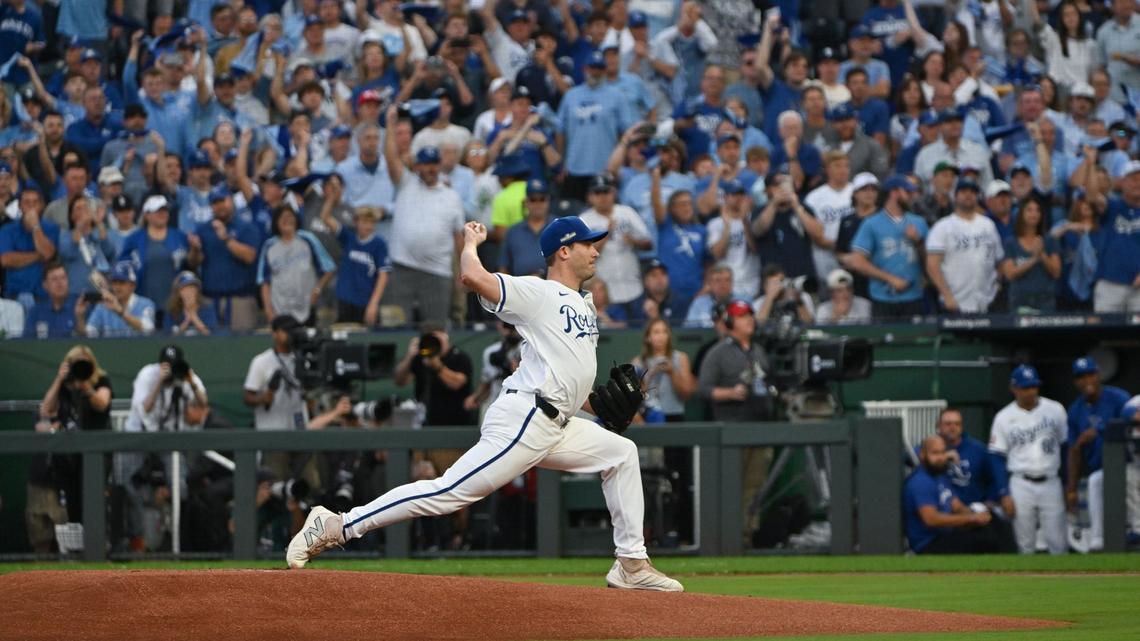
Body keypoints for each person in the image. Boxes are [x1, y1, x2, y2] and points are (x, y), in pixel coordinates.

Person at [288, 216, 684, 592]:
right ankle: (338, 525)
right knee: (448, 493)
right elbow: (473, 277)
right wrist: (471, 243)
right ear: (564, 251)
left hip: (558, 420)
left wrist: (604, 407)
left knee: (621, 454)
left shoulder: (584, 304)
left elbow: (571, 383)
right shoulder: (538, 292)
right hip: (526, 418)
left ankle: (631, 563)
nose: (596, 251)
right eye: (587, 244)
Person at [383, 105, 465, 325]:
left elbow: (459, 238)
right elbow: (391, 157)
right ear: (417, 166)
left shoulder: (451, 196)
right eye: (425, 164)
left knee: (435, 330)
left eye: (433, 164)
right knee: (397, 327)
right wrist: (390, 124)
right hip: (403, 269)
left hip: (437, 273)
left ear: (439, 166)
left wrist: (464, 271)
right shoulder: (405, 183)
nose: (429, 169)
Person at [26, 346, 112, 553]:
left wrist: (86, 386)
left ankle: (100, 549)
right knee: (71, 507)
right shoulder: (65, 385)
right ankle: (75, 554)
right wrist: (60, 379)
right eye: (76, 362)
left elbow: (101, 403)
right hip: (68, 460)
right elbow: (46, 410)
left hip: (95, 456)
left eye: (84, 362)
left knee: (95, 503)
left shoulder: (100, 381)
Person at [988, 365, 1068, 555]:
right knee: (1025, 544)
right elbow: (997, 457)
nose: (1030, 391)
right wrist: (1004, 493)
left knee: (1058, 541)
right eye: (1025, 387)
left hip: (1051, 480)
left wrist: (1068, 483)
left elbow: (1066, 447)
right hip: (1021, 482)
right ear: (1014, 388)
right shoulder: (1003, 417)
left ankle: (1062, 582)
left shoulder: (1055, 409)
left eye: (1033, 386)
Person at [243, 315, 321, 491]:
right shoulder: (261, 362)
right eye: (287, 331)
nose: (292, 335)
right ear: (276, 334)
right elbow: (248, 397)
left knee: (310, 484)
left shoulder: (304, 358)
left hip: (300, 433)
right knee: (275, 486)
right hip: (273, 435)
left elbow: (311, 394)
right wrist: (265, 397)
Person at [1065, 357, 1132, 552]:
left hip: (1129, 464)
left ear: (1098, 375)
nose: (1087, 381)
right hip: (1101, 468)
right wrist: (1071, 488)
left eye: (1090, 375)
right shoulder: (1076, 410)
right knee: (1095, 481)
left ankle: (1131, 530)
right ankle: (1098, 537)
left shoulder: (1118, 398)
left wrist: (1102, 430)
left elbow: (1132, 424)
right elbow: (1073, 450)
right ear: (1075, 381)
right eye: (1081, 377)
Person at [903, 435, 1007, 554]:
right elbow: (931, 519)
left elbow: (957, 506)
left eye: (943, 453)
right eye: (935, 453)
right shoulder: (920, 481)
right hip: (929, 542)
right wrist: (970, 518)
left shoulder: (939, 477)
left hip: (947, 533)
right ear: (922, 455)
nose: (940, 457)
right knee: (985, 540)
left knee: (992, 521)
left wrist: (979, 517)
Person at [185, 187, 261, 331]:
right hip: (210, 299)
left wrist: (226, 239)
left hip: (240, 300)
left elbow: (250, 257)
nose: (219, 206)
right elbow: (194, 263)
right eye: (215, 202)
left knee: (242, 345)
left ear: (231, 200)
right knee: (208, 347)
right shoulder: (204, 229)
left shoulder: (246, 227)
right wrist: (195, 250)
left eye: (222, 201)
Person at [579, 173, 652, 317]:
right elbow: (583, 256)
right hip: (605, 295)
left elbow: (648, 244)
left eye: (606, 191)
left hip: (634, 287)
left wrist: (633, 241)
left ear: (613, 193)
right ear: (590, 196)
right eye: (598, 192)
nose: (603, 196)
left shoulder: (626, 212)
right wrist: (606, 234)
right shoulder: (584, 220)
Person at [925, 179, 1004, 313]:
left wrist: (997, 285)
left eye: (972, 192)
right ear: (955, 196)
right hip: (954, 302)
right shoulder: (943, 226)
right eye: (963, 191)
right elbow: (932, 265)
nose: (968, 195)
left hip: (986, 302)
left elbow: (999, 260)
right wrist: (947, 296)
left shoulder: (988, 225)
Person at [257, 204, 336, 326]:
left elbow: (329, 268)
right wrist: (268, 310)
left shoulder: (308, 239)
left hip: (306, 307)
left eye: (290, 216)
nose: (286, 220)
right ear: (276, 222)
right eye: (282, 217)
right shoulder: (269, 246)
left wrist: (317, 290)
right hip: (280, 310)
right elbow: (264, 281)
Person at [1091, 161, 1140, 313]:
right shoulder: (1112, 206)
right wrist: (1089, 162)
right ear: (1122, 182)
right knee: (1107, 333)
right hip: (1110, 284)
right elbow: (1092, 196)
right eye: (1132, 179)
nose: (1137, 183)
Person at [999, 198, 1061, 313]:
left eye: (1038, 210)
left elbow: (1056, 273)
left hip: (1045, 302)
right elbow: (1009, 274)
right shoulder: (1011, 243)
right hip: (1019, 302)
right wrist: (1033, 259)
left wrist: (1042, 255)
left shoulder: (1049, 240)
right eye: (1029, 210)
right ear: (1021, 213)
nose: (1034, 214)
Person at [0, 188, 58, 305]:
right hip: (14, 294)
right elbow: (6, 260)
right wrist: (37, 255)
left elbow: (48, 254)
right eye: (27, 202)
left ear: (42, 205)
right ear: (20, 206)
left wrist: (36, 227)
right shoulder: (8, 229)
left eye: (35, 202)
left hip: (43, 295)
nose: (31, 206)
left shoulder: (51, 228)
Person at [77, 261, 156, 337]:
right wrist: (80, 316)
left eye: (122, 283)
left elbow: (148, 329)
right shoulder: (103, 306)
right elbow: (89, 335)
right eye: (114, 282)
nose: (116, 287)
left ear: (132, 286)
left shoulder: (145, 304)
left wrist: (120, 312)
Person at [498, 178, 552, 277]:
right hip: (520, 287)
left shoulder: (558, 226)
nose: (538, 204)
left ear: (548, 201)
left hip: (554, 286)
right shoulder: (513, 232)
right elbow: (503, 267)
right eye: (533, 199)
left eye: (542, 199)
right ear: (526, 202)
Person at [23, 262, 77, 339]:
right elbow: (26, 344)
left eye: (63, 278)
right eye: (54, 279)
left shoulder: (79, 308)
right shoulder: (35, 312)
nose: (60, 283)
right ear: (45, 285)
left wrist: (80, 318)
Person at [165, 271, 218, 335]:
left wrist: (194, 316)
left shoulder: (207, 307)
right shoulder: (172, 309)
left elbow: (211, 335)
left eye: (192, 288)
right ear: (179, 292)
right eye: (185, 288)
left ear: (197, 291)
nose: (189, 292)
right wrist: (186, 321)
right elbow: (168, 338)